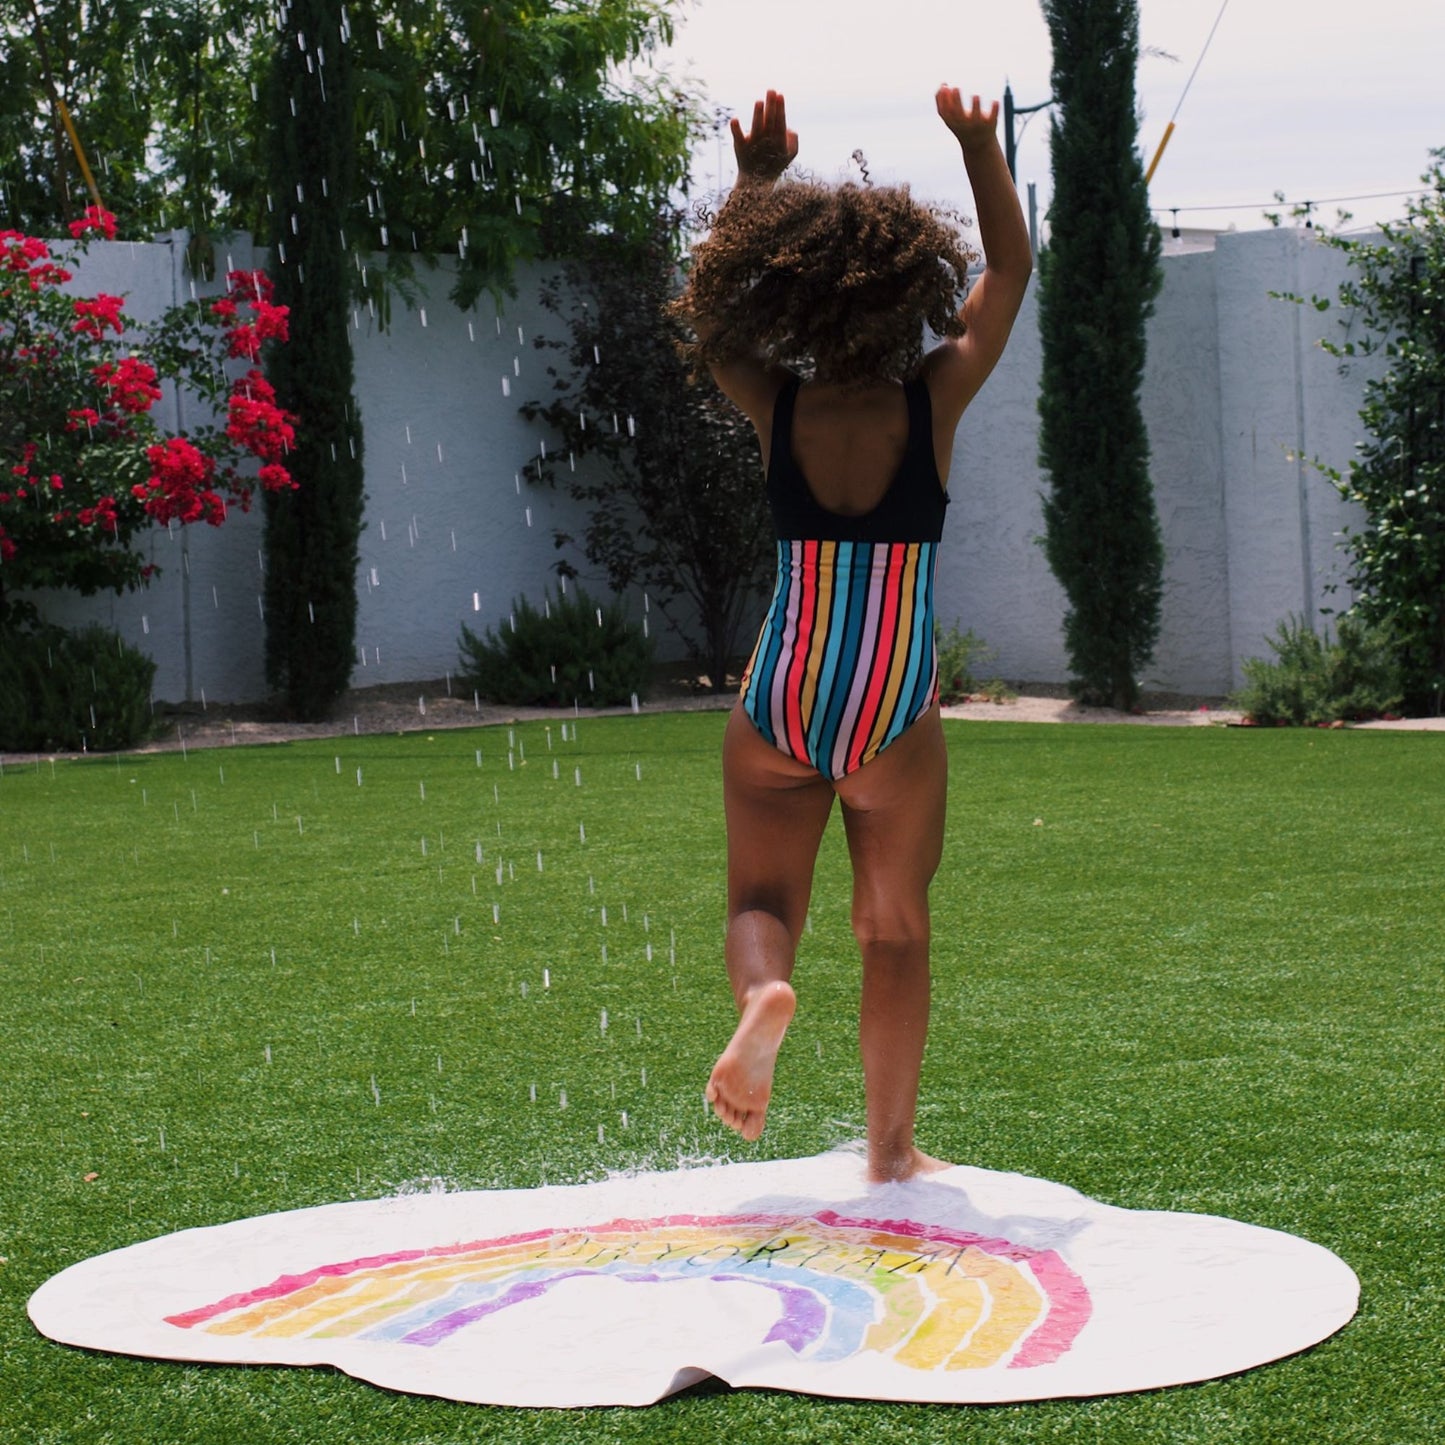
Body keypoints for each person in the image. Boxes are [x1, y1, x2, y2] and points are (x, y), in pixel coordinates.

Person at [675, 87, 1032, 1183]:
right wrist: (978, 148)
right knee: (893, 927)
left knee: (758, 902)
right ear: (906, 291)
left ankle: (764, 993)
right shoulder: (927, 403)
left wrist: (753, 185)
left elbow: (705, 308)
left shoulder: (774, 404)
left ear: (794, 297)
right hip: (890, 701)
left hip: (780, 692)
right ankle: (888, 1149)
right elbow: (1009, 271)